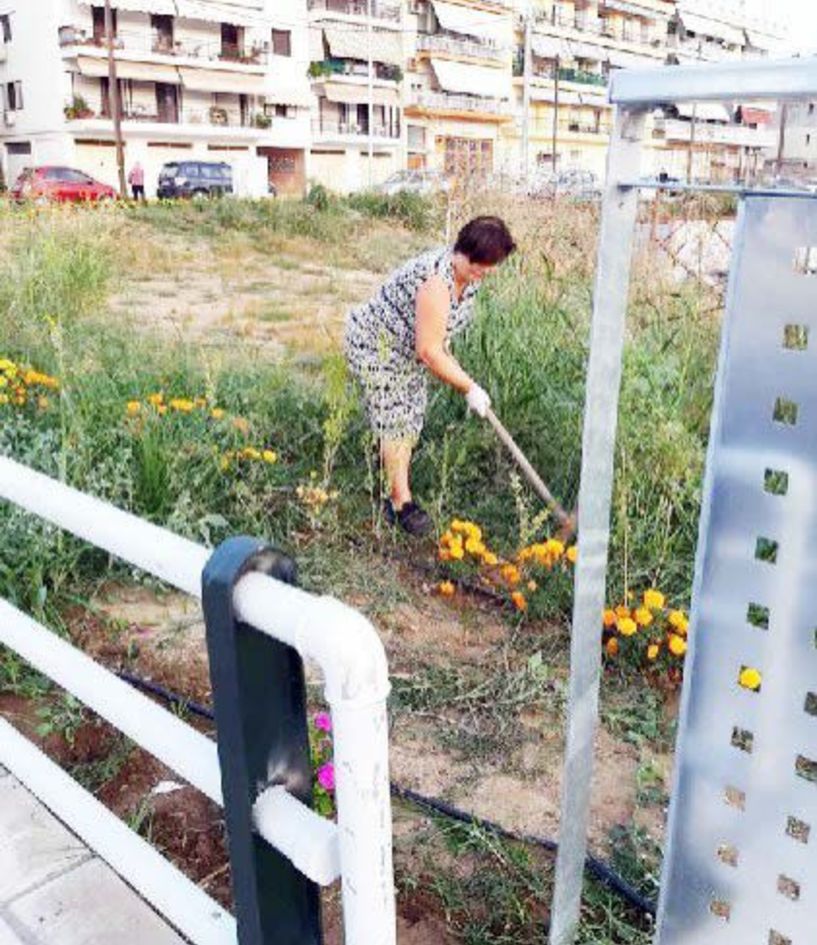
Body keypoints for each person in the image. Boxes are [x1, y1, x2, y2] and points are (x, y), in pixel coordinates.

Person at [344, 215, 516, 536]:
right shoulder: (436, 281)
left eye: (491, 265)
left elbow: (438, 339)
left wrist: (458, 374)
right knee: (395, 419)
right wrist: (469, 386)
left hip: (407, 350)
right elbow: (429, 351)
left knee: (410, 418)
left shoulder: (469, 280)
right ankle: (400, 504)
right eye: (479, 263)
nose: (484, 271)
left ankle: (386, 470)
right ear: (462, 251)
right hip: (376, 344)